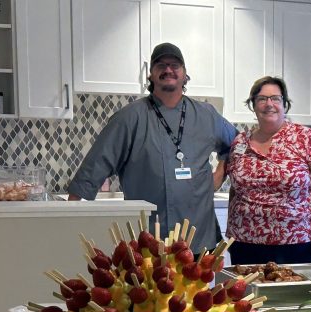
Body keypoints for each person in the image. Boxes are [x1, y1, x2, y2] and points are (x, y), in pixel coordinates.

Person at [67, 43, 237, 255]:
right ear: (151, 75)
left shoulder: (207, 115)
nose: (168, 70)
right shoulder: (129, 118)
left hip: (199, 238)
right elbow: (96, 164)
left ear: (185, 75)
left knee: (197, 289)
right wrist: (70, 220)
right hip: (149, 242)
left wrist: (219, 174)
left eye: (175, 65)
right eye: (161, 65)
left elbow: (237, 145)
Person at [214, 76, 311, 265]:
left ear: (284, 104)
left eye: (275, 98)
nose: (268, 104)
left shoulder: (305, 138)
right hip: (245, 243)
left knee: (291, 294)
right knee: (248, 294)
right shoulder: (240, 142)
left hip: (296, 242)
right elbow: (235, 190)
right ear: (253, 105)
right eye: (262, 99)